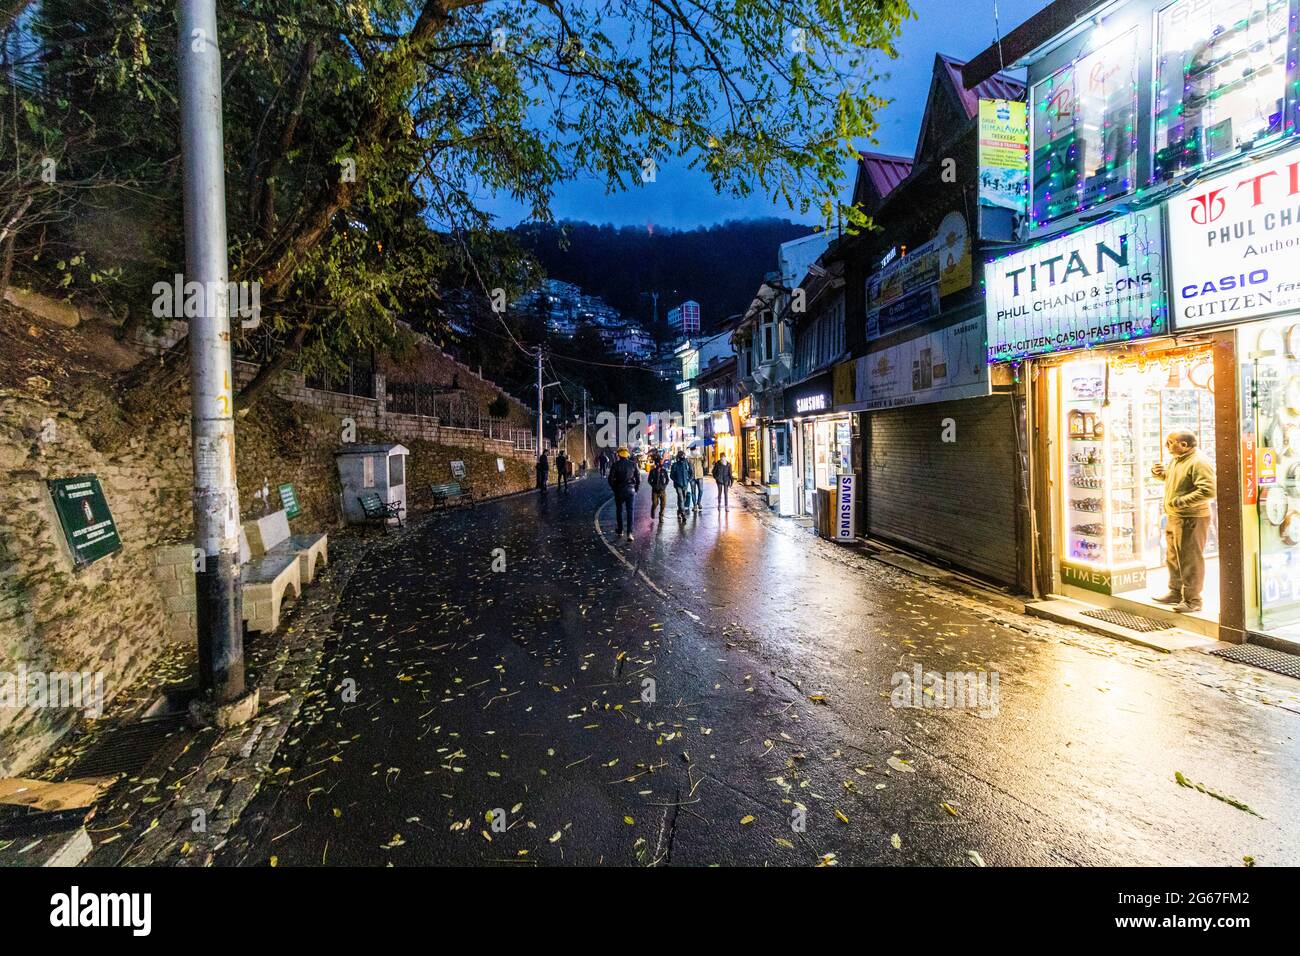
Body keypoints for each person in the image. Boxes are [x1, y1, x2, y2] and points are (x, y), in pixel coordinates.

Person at [1151, 430, 1216, 614]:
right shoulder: (1178, 459)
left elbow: (1209, 491)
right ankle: (1176, 592)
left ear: (1184, 445)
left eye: (1170, 442)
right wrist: (1161, 474)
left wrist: (1181, 501)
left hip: (1192, 517)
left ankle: (1193, 600)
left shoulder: (1199, 462)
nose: (1166, 446)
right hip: (1176, 516)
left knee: (1190, 559)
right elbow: (1177, 480)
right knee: (1173, 557)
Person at [608, 446, 640, 541]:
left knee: (619, 510)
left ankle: (620, 530)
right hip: (631, 490)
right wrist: (636, 489)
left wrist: (614, 489)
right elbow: (638, 479)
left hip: (619, 490)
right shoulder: (633, 464)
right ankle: (629, 533)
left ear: (619, 454)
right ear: (627, 454)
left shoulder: (615, 465)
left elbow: (610, 479)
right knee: (630, 511)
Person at [670, 450, 693, 518]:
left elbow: (691, 472)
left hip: (685, 484)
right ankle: (683, 513)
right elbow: (671, 475)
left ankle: (679, 511)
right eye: (681, 455)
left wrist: (689, 480)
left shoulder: (687, 464)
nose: (683, 457)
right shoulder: (675, 465)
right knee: (681, 498)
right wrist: (676, 480)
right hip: (678, 485)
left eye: (683, 455)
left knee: (683, 498)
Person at [647, 453, 670, 521]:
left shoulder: (664, 471)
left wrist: (664, 486)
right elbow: (649, 480)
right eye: (660, 462)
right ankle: (652, 511)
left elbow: (667, 479)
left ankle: (661, 516)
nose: (661, 463)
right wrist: (653, 485)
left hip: (662, 490)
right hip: (655, 491)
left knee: (663, 504)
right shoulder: (653, 471)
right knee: (655, 503)